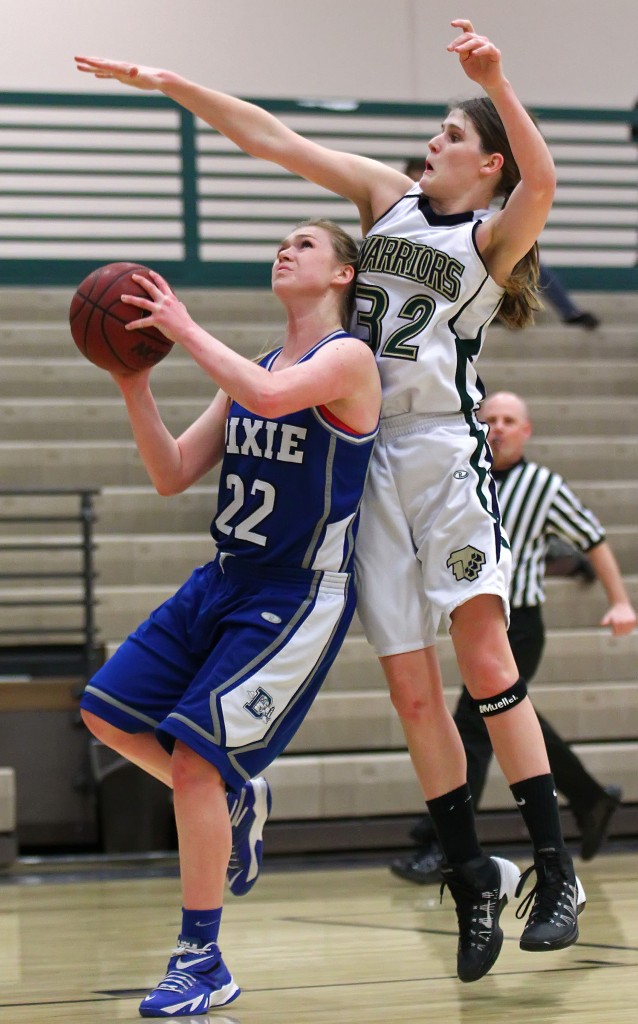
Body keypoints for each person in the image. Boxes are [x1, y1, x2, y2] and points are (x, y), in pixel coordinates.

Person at [76, 18, 586, 984]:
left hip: (442, 455)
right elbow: (271, 136)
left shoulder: (490, 236)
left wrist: (498, 79)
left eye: (449, 136)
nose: (429, 146)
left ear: (487, 165)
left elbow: (546, 184)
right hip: (370, 466)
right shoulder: (386, 201)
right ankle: (473, 872)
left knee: (485, 655)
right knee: (409, 688)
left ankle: (556, 870)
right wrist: (171, 80)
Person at [78, 218, 381, 1017]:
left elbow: (274, 397)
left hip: (294, 593)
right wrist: (132, 383)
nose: (286, 250)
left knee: (192, 766)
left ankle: (202, 957)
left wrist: (181, 326)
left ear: (343, 276)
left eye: (306, 244)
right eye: (281, 242)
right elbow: (172, 472)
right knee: (105, 715)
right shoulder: (251, 369)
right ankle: (239, 799)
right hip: (223, 579)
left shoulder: (345, 360)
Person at [391, 390, 635, 885]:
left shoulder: (543, 484)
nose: (498, 427)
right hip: (473, 617)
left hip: (517, 621)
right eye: (491, 418)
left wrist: (621, 600)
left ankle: (447, 847)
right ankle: (589, 798)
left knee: (474, 725)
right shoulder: (461, 472)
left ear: (526, 431)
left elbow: (593, 538)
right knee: (507, 716)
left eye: (509, 420)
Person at [403, 157, 600, 329]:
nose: (421, 181)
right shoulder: (403, 207)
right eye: (416, 176)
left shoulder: (452, 200)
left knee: (527, 260)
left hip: (463, 252)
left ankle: (569, 312)